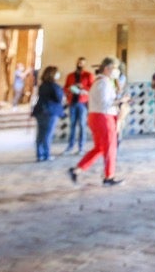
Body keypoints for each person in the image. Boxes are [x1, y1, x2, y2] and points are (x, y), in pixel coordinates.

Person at [68, 57, 125, 186]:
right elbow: (106, 103)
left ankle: (77, 170)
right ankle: (108, 176)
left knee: (100, 148)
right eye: (115, 68)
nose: (116, 71)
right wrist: (122, 101)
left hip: (98, 116)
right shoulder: (103, 83)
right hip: (103, 117)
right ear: (106, 69)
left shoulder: (105, 82)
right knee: (110, 147)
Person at [31, 66, 66, 162]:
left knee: (40, 134)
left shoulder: (42, 85)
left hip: (40, 111)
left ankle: (39, 154)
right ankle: (46, 154)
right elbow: (59, 99)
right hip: (50, 112)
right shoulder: (54, 86)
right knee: (48, 135)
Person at [61, 57, 93, 156]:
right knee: (72, 125)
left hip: (82, 102)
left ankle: (81, 147)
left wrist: (82, 87)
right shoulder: (70, 76)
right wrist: (70, 89)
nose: (80, 65)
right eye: (79, 63)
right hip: (72, 102)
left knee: (82, 125)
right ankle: (70, 146)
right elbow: (65, 88)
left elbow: (92, 88)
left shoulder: (88, 75)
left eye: (82, 63)